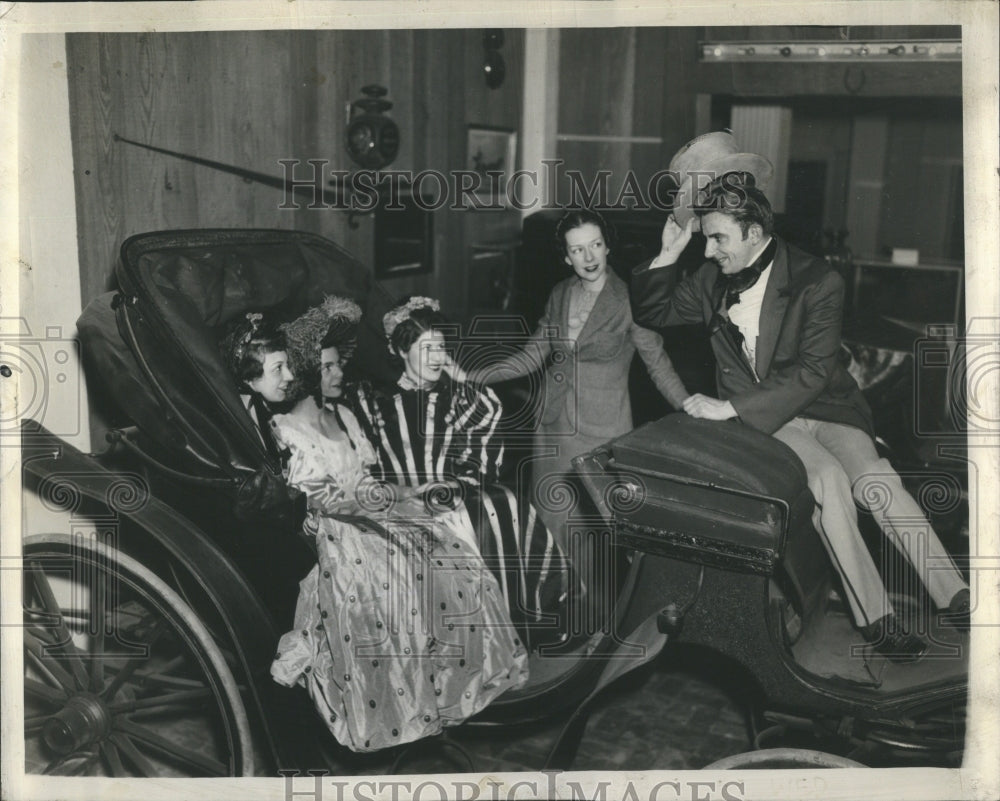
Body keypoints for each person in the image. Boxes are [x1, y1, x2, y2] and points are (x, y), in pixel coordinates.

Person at [630, 162, 970, 662]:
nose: (709, 251)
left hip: (824, 407)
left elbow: (813, 373)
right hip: (771, 419)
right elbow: (652, 313)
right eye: (704, 241)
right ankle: (879, 621)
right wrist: (668, 252)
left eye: (718, 239)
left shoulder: (818, 280)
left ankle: (956, 597)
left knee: (876, 483)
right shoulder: (707, 280)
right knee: (828, 481)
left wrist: (730, 406)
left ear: (754, 232)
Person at [264, 297, 528, 752]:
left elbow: (367, 476)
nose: (339, 374)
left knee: (446, 547)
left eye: (336, 365)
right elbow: (326, 498)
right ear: (309, 374)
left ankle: (448, 681)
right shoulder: (287, 429)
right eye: (328, 368)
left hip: (371, 510)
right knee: (401, 575)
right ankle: (405, 693)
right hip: (337, 527)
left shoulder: (344, 415)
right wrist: (396, 498)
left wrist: (398, 500)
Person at [468, 210, 690, 627]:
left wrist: (688, 404)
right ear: (566, 258)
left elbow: (657, 363)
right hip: (552, 428)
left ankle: (603, 627)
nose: (588, 256)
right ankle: (560, 621)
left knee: (591, 539)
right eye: (577, 249)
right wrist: (476, 375)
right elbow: (533, 353)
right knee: (549, 531)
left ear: (607, 246)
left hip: (600, 435)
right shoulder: (560, 293)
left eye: (595, 245)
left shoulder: (629, 300)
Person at [345, 297, 575, 650]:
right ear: (399, 351)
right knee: (484, 516)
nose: (437, 357)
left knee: (503, 503)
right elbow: (361, 465)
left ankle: (525, 623)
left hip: (450, 494)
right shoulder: (373, 402)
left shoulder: (454, 398)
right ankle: (487, 639)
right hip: (398, 504)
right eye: (426, 348)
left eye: (441, 347)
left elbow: (485, 431)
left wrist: (461, 378)